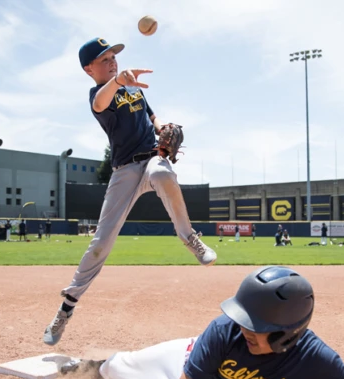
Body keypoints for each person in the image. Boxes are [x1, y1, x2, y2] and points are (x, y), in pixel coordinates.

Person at [42, 37, 217, 347]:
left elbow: (151, 115)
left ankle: (189, 237)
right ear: (89, 69)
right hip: (124, 171)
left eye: (113, 56)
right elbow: (99, 103)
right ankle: (66, 308)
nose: (112, 61)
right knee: (101, 243)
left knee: (164, 174)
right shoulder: (99, 94)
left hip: (151, 157)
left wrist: (163, 127)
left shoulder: (132, 87)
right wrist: (118, 81)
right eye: (104, 59)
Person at [60, 266, 344, 379]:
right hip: (187, 361)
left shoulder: (318, 364)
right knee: (119, 367)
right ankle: (87, 370)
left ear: (288, 334)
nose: (244, 329)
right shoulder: (225, 329)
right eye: (243, 319)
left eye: (256, 325)